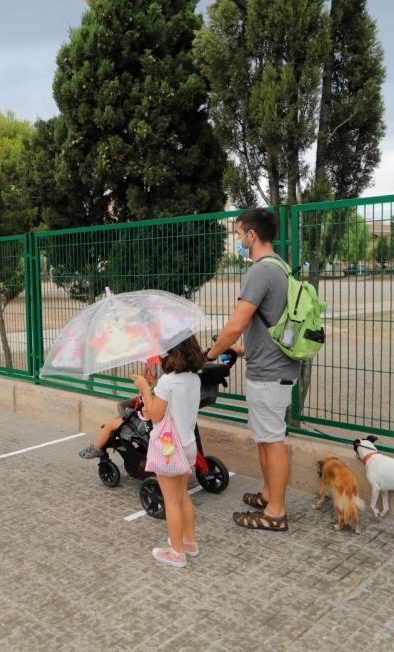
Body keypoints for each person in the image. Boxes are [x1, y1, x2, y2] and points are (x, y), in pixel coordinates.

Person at [206, 208, 300, 533]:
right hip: (275, 366)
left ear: (251, 235)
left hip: (270, 375)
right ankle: (268, 495)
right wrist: (246, 349)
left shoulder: (260, 271)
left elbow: (235, 325)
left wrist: (209, 354)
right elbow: (271, 323)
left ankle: (276, 512)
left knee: (272, 440)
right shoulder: (281, 267)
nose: (238, 240)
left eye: (238, 234)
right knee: (265, 438)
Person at [131, 336, 204, 568]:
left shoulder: (168, 382)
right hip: (188, 444)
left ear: (173, 353)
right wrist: (154, 388)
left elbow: (154, 414)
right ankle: (189, 543)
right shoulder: (193, 378)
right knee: (182, 496)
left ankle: (176, 552)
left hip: (168, 448)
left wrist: (144, 389)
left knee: (171, 501)